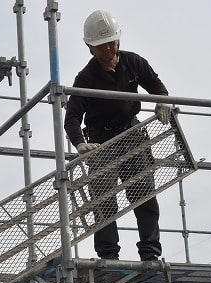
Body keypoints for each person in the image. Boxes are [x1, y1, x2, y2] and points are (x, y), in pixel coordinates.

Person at [64, 10, 174, 262]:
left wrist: (162, 102)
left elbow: (157, 86)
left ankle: (150, 252)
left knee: (144, 193)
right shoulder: (85, 78)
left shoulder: (133, 63)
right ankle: (108, 254)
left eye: (112, 42)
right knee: (104, 199)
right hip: (101, 142)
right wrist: (80, 143)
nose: (109, 48)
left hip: (131, 132)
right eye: (102, 45)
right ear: (90, 47)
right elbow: (71, 117)